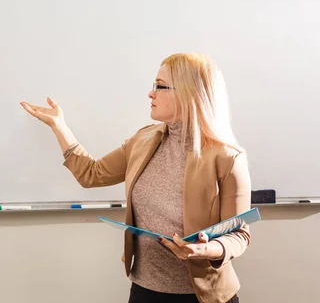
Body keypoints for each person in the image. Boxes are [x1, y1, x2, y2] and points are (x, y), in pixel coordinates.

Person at [20, 53, 251, 303]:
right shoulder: (143, 140)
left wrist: (203, 249)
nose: (151, 94)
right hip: (144, 291)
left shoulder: (228, 158)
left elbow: (239, 235)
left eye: (160, 86)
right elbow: (91, 175)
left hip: (203, 297)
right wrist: (59, 126)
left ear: (189, 93)